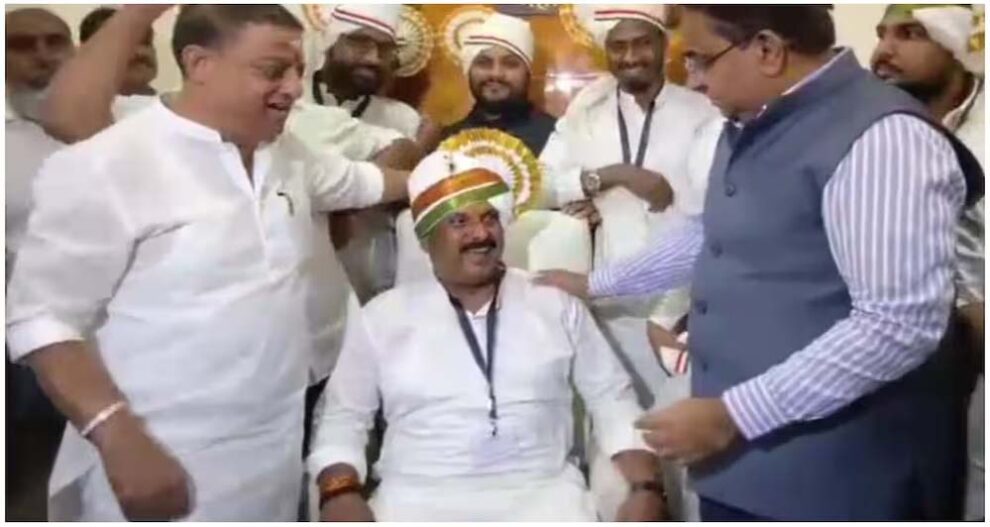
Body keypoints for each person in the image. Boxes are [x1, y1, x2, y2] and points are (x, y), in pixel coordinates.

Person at [537, 5, 984, 520]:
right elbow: (712, 232)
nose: (694, 80)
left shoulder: (883, 138)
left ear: (768, 50)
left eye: (701, 59)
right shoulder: (751, 119)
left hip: (836, 481)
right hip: (742, 471)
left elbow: (898, 324)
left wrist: (733, 414)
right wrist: (595, 283)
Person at [5, 5, 410, 521]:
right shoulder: (108, 161)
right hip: (159, 454)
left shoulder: (285, 154)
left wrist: (461, 171)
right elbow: (41, 319)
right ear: (199, 64)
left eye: (297, 71)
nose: (292, 89)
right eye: (272, 71)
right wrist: (115, 433)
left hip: (273, 449)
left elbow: (367, 182)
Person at [308, 150, 663, 522]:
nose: (480, 234)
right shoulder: (382, 317)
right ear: (426, 239)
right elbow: (342, 419)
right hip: (414, 499)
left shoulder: (556, 304)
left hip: (545, 497)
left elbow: (612, 400)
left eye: (490, 218)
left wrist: (646, 488)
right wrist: (339, 493)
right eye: (459, 221)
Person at [538, 5, 722, 519]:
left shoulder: (702, 112)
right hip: (608, 306)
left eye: (642, 43)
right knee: (618, 443)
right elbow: (539, 183)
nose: (631, 56)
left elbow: (709, 221)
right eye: (618, 46)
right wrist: (608, 176)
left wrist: (672, 314)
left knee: (686, 450)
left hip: (682, 309)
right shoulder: (587, 111)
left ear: (664, 45)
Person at [872, 5, 985, 520]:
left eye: (909, 34)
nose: (883, 51)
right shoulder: (876, 126)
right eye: (882, 34)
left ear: (955, 47)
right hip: (905, 369)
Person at [295, 4, 430, 303]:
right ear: (332, 41)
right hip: (298, 277)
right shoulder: (292, 101)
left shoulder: (403, 118)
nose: (373, 58)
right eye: (359, 42)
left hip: (370, 281)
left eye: (384, 49)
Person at [440, 12, 557, 156]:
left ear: (527, 72)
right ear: (469, 70)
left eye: (510, 64)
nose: (496, 74)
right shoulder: (448, 140)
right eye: (484, 63)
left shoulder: (555, 138)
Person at [79, 7, 158, 96]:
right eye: (123, 43)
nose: (139, 52)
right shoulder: (73, 103)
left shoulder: (167, 102)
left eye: (146, 43)